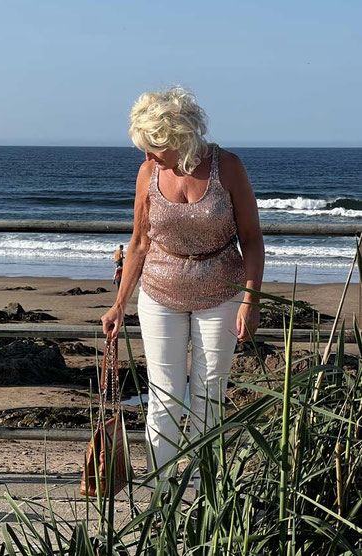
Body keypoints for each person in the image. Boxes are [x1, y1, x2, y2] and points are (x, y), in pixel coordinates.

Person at [100, 87, 264, 486]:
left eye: (154, 147)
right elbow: (139, 241)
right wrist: (119, 304)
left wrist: (250, 301)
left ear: (179, 139)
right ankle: (161, 493)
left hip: (221, 295)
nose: (147, 157)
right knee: (163, 399)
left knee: (209, 397)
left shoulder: (228, 167)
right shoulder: (148, 173)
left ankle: (205, 491)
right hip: (159, 294)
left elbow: (252, 238)